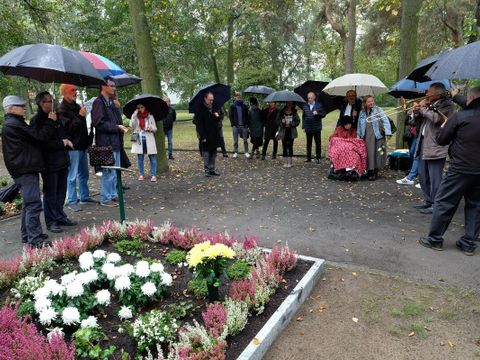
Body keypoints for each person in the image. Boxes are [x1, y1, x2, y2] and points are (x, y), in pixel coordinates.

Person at [1, 95, 70, 248]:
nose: (24, 108)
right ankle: (35, 239)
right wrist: (50, 121)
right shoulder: (14, 124)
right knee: (33, 204)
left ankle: (27, 235)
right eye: (20, 106)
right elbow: (39, 137)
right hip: (25, 168)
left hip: (24, 167)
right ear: (11, 108)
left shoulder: (15, 123)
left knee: (28, 203)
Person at [419, 87, 480, 256]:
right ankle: (469, 243)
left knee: (445, 202)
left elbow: (441, 139)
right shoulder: (465, 113)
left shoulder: (460, 117)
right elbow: (470, 105)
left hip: (460, 168)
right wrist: (455, 96)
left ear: (470, 98)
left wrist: (447, 125)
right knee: (475, 206)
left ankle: (435, 239)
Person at [30, 92, 76, 233]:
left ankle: (60, 215)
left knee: (61, 192)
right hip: (49, 163)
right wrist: (60, 142)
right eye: (49, 101)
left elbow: (64, 135)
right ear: (41, 103)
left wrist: (66, 139)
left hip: (62, 160)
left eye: (53, 100)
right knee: (51, 193)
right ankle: (51, 221)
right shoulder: (36, 121)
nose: (52, 104)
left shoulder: (57, 117)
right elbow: (41, 142)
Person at [412, 83, 456, 214]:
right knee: (422, 175)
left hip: (436, 145)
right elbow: (416, 123)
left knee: (435, 178)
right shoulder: (428, 104)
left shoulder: (448, 105)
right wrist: (416, 112)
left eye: (429, 92)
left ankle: (437, 204)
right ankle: (428, 201)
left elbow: (437, 119)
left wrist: (422, 109)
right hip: (424, 143)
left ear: (437, 93)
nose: (426, 94)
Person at [57, 84, 96, 212]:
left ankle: (84, 196)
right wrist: (80, 116)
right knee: (72, 176)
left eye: (76, 90)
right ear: (64, 92)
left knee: (84, 174)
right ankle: (72, 200)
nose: (75, 92)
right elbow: (68, 128)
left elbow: (81, 127)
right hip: (72, 147)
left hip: (82, 145)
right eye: (72, 90)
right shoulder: (61, 109)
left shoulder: (77, 106)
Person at [91, 77, 129, 207]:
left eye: (114, 85)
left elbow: (118, 121)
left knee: (114, 171)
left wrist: (116, 108)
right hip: (106, 144)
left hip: (115, 142)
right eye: (111, 85)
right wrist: (116, 127)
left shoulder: (111, 103)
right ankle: (105, 197)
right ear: (103, 86)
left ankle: (113, 195)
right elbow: (98, 123)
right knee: (108, 171)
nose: (114, 88)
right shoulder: (98, 102)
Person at [357, 95, 391, 181]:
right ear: (365, 103)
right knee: (368, 154)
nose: (372, 103)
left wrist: (388, 133)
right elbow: (359, 125)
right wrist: (358, 135)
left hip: (377, 135)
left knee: (378, 153)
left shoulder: (378, 110)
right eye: (369, 101)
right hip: (366, 136)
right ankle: (369, 171)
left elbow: (386, 121)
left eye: (372, 101)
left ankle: (375, 171)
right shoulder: (362, 112)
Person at [130, 103, 158, 182]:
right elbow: (131, 126)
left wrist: (151, 128)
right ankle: (141, 174)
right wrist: (134, 116)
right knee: (140, 158)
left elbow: (155, 128)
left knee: (152, 157)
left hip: (149, 139)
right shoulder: (135, 116)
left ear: (145, 107)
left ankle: (153, 175)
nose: (140, 109)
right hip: (139, 140)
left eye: (141, 107)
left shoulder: (150, 116)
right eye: (138, 108)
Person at [195, 92, 221, 176]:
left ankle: (212, 169)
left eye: (212, 100)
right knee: (206, 153)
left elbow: (218, 120)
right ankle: (206, 170)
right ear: (205, 99)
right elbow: (199, 125)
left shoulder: (214, 107)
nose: (211, 101)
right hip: (205, 134)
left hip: (214, 134)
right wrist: (203, 136)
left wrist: (217, 116)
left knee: (213, 152)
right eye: (210, 100)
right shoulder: (200, 109)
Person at [396, 111, 420, 185]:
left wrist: (413, 115)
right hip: (410, 135)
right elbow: (406, 122)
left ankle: (414, 171)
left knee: (413, 152)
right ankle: (412, 169)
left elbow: (414, 123)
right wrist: (408, 115)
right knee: (411, 153)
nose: (414, 107)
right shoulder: (410, 113)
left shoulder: (418, 113)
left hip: (416, 135)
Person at [302, 91, 326, 163]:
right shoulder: (305, 106)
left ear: (314, 97)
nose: (309, 99)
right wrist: (303, 126)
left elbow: (324, 114)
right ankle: (308, 157)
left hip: (316, 128)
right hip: (308, 128)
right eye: (308, 98)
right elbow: (303, 117)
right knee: (308, 144)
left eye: (311, 98)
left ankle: (318, 158)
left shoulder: (319, 105)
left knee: (318, 143)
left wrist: (317, 113)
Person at [276, 101, 300, 168]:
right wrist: (282, 122)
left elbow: (298, 121)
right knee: (284, 146)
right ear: (286, 103)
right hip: (284, 131)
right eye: (288, 103)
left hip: (291, 131)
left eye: (291, 103)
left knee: (290, 146)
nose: (289, 104)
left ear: (292, 104)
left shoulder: (294, 112)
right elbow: (277, 120)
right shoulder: (281, 111)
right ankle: (285, 162)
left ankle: (290, 162)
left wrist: (293, 123)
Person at [229, 92, 250, 158]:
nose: (239, 97)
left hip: (243, 126)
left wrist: (246, 124)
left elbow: (247, 116)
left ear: (241, 97)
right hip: (235, 126)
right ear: (235, 97)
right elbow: (230, 116)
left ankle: (246, 152)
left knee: (245, 140)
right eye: (237, 96)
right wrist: (233, 124)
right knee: (235, 140)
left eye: (240, 96)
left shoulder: (244, 106)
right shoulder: (232, 106)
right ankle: (235, 152)